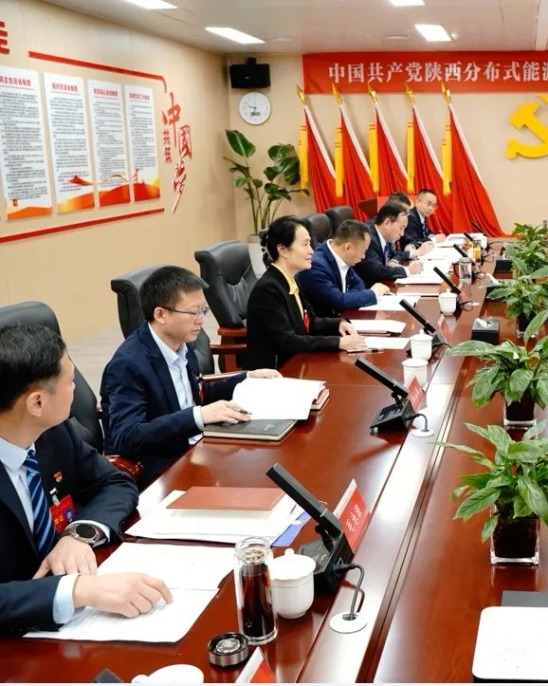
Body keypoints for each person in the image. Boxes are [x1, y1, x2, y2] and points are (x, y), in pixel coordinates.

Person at [0, 324, 172, 634]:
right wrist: (76, 590)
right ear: (37, 402)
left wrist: (77, 534)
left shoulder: (53, 432)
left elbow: (115, 483)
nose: (77, 388)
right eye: (70, 381)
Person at [100, 267, 280, 486]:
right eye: (193, 313)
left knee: (266, 463)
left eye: (203, 311)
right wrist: (197, 417)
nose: (201, 321)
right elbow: (126, 436)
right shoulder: (128, 364)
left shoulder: (182, 344)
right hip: (163, 469)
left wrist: (247, 379)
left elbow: (195, 392)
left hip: (198, 446)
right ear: (160, 314)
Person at [243, 216, 366, 370]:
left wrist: (339, 323)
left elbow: (310, 322)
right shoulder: (268, 289)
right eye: (305, 244)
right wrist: (338, 342)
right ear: (283, 250)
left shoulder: (291, 280)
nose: (311, 251)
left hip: (298, 362)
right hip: (276, 372)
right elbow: (288, 341)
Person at [296, 219, 390, 315]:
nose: (364, 257)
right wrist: (373, 293)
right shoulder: (315, 266)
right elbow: (338, 302)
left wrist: (346, 298)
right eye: (363, 251)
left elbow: (359, 283)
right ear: (348, 247)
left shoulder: (342, 256)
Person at [355, 202, 424, 287]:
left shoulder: (385, 235)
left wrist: (393, 261)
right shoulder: (368, 238)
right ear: (387, 223)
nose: (402, 234)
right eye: (401, 228)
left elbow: (395, 254)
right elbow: (376, 272)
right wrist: (408, 270)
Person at [368, 192, 433, 259]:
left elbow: (409, 240)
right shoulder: (373, 232)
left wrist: (410, 246)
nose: (407, 216)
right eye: (404, 212)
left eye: (407, 213)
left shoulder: (398, 226)